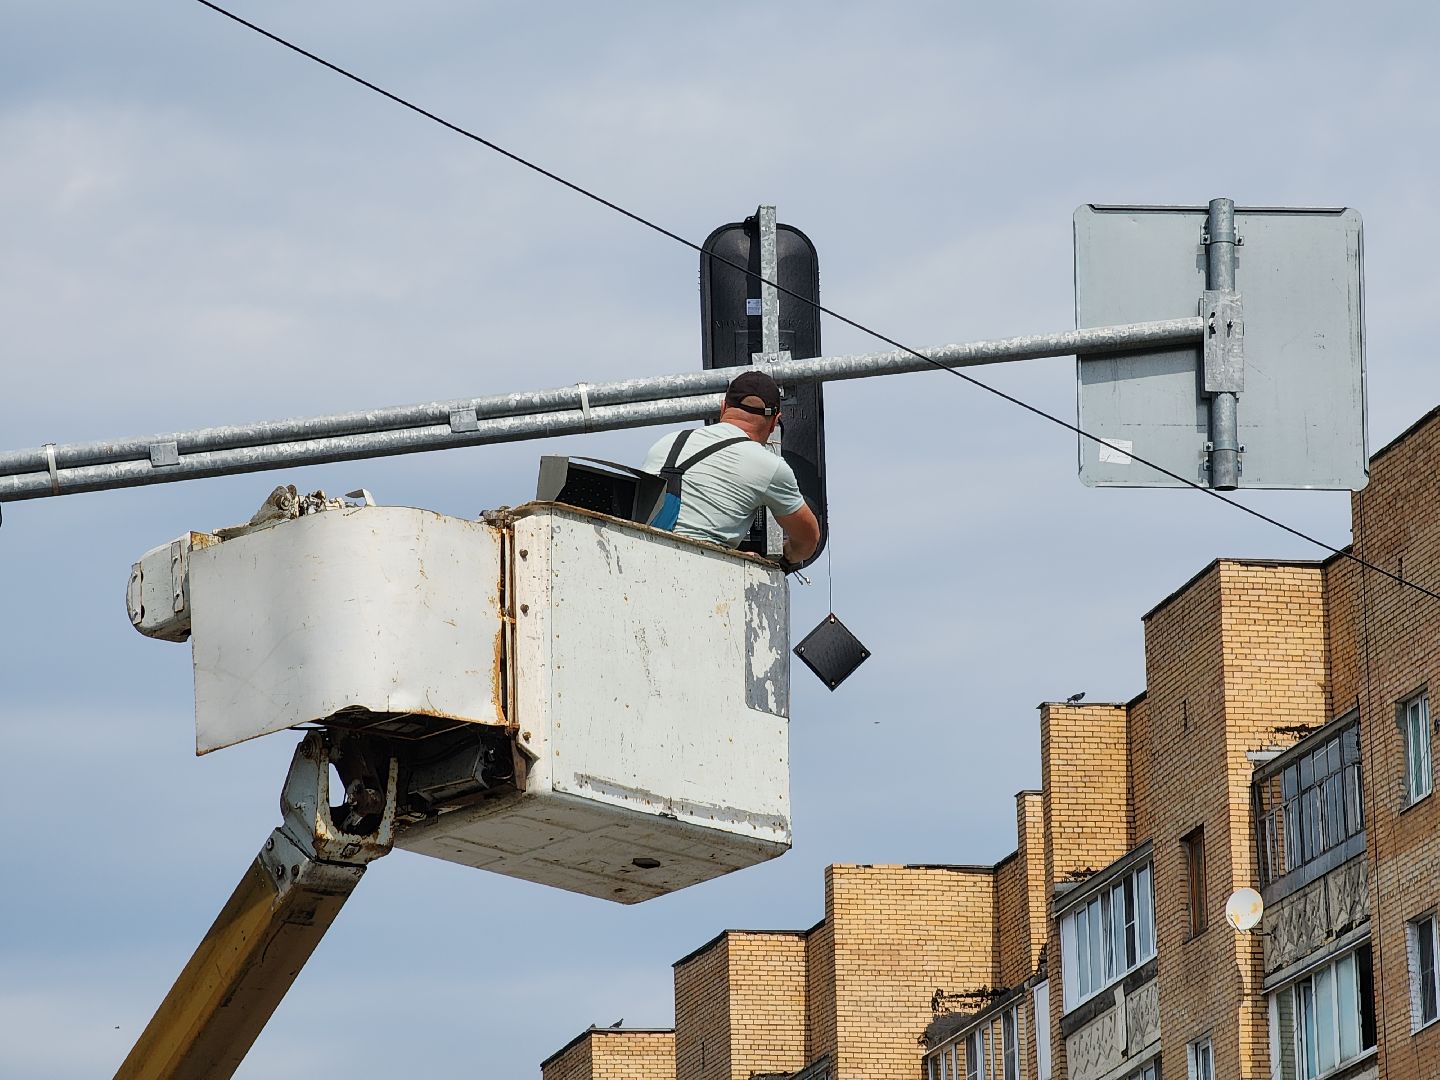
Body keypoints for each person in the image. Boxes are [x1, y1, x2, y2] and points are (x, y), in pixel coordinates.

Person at [642, 370, 820, 567]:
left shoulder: (666, 443)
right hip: (698, 573)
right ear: (774, 423)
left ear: (723, 407)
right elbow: (808, 539)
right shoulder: (770, 466)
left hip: (642, 561)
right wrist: (786, 558)